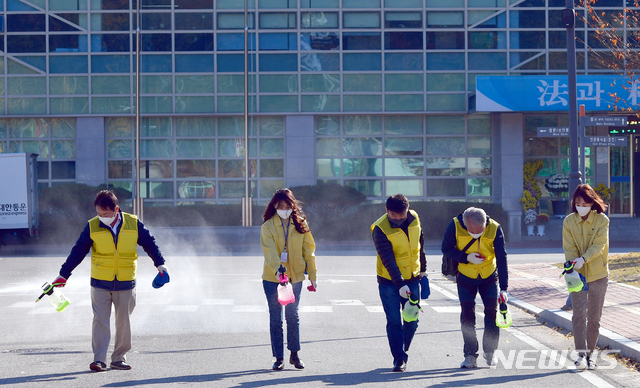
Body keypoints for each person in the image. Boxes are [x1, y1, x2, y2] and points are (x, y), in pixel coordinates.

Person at [52, 190, 167, 372]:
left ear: (116, 209)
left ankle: (118, 358)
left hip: (125, 282)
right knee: (100, 321)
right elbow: (78, 251)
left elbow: (150, 244)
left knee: (123, 322)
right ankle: (99, 360)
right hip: (100, 282)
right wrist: (64, 274)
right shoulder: (92, 226)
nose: (101, 217)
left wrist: (160, 265)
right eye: (98, 213)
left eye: (105, 214)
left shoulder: (133, 223)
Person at [441, 207, 508, 368]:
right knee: (467, 315)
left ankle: (490, 351)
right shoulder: (455, 225)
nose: (476, 234)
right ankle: (470, 355)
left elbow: (502, 257)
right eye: (472, 232)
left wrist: (504, 288)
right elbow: (446, 248)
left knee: (492, 313)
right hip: (465, 277)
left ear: (486, 223)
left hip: (489, 277)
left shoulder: (495, 228)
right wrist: (466, 258)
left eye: (480, 231)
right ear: (465, 224)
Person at [261, 188, 317, 371]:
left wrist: (313, 276)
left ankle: (294, 354)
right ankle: (278, 357)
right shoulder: (267, 226)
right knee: (275, 319)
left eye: (287, 205)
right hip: (273, 279)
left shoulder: (301, 223)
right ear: (274, 206)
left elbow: (309, 251)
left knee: (292, 316)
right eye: (280, 206)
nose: (284, 209)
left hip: (295, 277)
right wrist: (279, 273)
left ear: (293, 206)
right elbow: (269, 254)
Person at [371, 194, 427, 372]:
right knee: (394, 321)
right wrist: (399, 283)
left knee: (412, 319)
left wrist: (423, 271)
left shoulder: (415, 218)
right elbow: (387, 259)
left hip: (413, 278)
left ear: (407, 210)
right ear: (387, 210)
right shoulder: (380, 228)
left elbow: (420, 245)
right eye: (393, 216)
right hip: (389, 282)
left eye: (401, 216)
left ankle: (402, 347)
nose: (397, 219)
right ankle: (399, 358)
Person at [563, 184, 610, 371]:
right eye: (577, 203)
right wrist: (575, 262)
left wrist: (584, 258)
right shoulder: (568, 221)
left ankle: (591, 355)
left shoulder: (602, 221)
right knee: (578, 315)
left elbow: (599, 245)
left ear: (592, 202)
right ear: (573, 203)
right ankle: (581, 355)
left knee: (594, 317)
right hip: (576, 274)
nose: (581, 206)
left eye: (585, 203)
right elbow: (569, 246)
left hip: (598, 274)